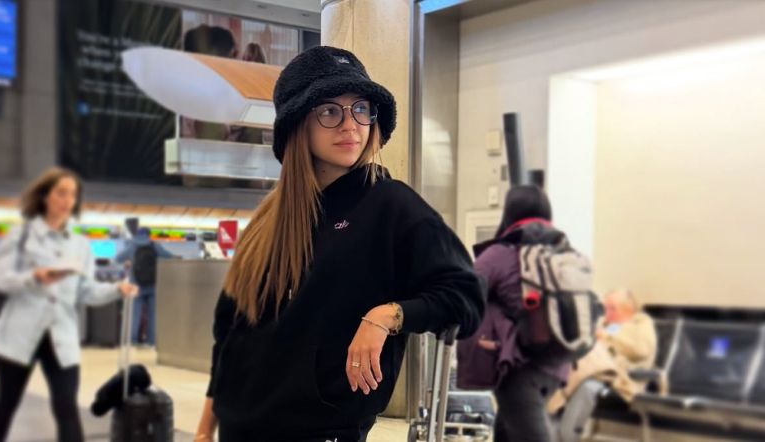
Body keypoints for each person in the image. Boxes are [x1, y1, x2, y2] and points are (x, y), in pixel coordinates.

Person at [194, 46, 485, 442]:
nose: (350, 125)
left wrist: (388, 316)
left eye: (361, 109)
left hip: (322, 432)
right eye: (330, 111)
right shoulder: (269, 221)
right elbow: (230, 335)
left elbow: (466, 297)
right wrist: (203, 431)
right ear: (298, 124)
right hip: (239, 429)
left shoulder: (390, 205)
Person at [0, 167, 138, 442]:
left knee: (66, 407)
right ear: (45, 196)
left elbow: (86, 291)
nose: (67, 200)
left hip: (61, 336)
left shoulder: (80, 245)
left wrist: (116, 289)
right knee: (6, 404)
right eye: (61, 193)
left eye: (72, 194)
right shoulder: (21, 236)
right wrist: (34, 277)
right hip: (18, 335)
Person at [456, 185, 569, 442]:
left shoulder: (502, 253)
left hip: (519, 369)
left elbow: (467, 292)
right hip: (558, 366)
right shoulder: (562, 253)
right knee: (508, 429)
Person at [550, 289, 657, 442]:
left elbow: (641, 350)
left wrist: (607, 337)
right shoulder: (609, 326)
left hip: (620, 379)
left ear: (628, 309)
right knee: (566, 374)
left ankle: (566, 436)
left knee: (586, 385)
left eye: (612, 308)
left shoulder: (640, 325)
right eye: (605, 308)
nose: (606, 313)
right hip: (593, 373)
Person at [115, 227, 176, 346]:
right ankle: (151, 340)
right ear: (149, 234)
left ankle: (132, 340)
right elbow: (169, 257)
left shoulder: (132, 246)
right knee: (152, 315)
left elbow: (117, 259)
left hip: (136, 285)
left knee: (135, 314)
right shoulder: (154, 245)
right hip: (152, 284)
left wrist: (128, 262)